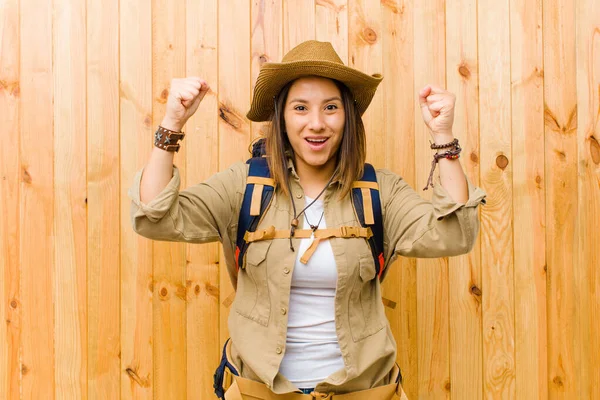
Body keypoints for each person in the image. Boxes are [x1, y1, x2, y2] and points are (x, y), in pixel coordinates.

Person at [128, 40, 486, 399]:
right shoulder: (245, 186)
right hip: (259, 392)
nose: (317, 124)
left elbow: (453, 234)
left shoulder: (379, 191)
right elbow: (154, 216)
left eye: (331, 107)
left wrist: (444, 139)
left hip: (363, 392)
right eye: (301, 108)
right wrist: (171, 124)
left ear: (347, 115)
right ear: (281, 117)